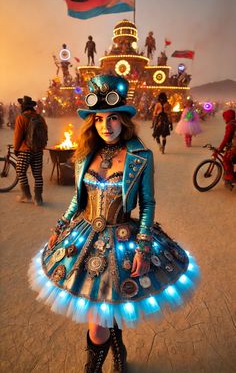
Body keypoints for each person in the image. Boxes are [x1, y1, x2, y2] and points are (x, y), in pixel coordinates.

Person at [29, 75, 199, 373]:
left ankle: (104, 363)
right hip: (84, 241)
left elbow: (147, 205)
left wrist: (143, 248)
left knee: (104, 315)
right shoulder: (85, 154)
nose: (106, 126)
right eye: (99, 119)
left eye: (113, 118)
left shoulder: (140, 156)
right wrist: (60, 227)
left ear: (123, 120)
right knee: (102, 316)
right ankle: (117, 354)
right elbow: (77, 201)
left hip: (122, 240)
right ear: (92, 122)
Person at [14, 96, 48, 205]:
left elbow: (18, 136)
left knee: (20, 171)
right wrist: (41, 146)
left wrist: (16, 149)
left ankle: (27, 195)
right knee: (37, 174)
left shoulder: (21, 118)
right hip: (38, 150)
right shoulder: (40, 118)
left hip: (25, 150)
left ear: (23, 106)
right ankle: (38, 199)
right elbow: (45, 134)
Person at [214, 109, 236, 189]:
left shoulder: (230, 125)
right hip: (234, 146)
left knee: (226, 159)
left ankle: (230, 177)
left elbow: (226, 138)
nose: (224, 119)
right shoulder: (234, 122)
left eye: (225, 117)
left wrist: (220, 148)